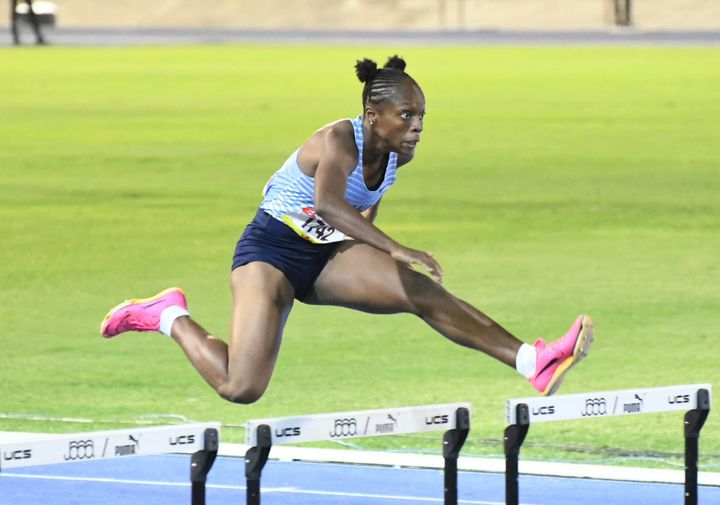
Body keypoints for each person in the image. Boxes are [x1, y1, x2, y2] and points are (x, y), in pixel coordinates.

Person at [101, 55, 594, 403]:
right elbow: (330, 205)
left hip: (325, 256)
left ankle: (533, 361)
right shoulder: (338, 138)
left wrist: (380, 258)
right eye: (407, 115)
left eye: (422, 115)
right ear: (372, 116)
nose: (417, 125)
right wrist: (394, 248)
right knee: (241, 387)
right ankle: (166, 315)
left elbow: (357, 216)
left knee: (419, 293)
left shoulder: (396, 156)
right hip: (270, 252)